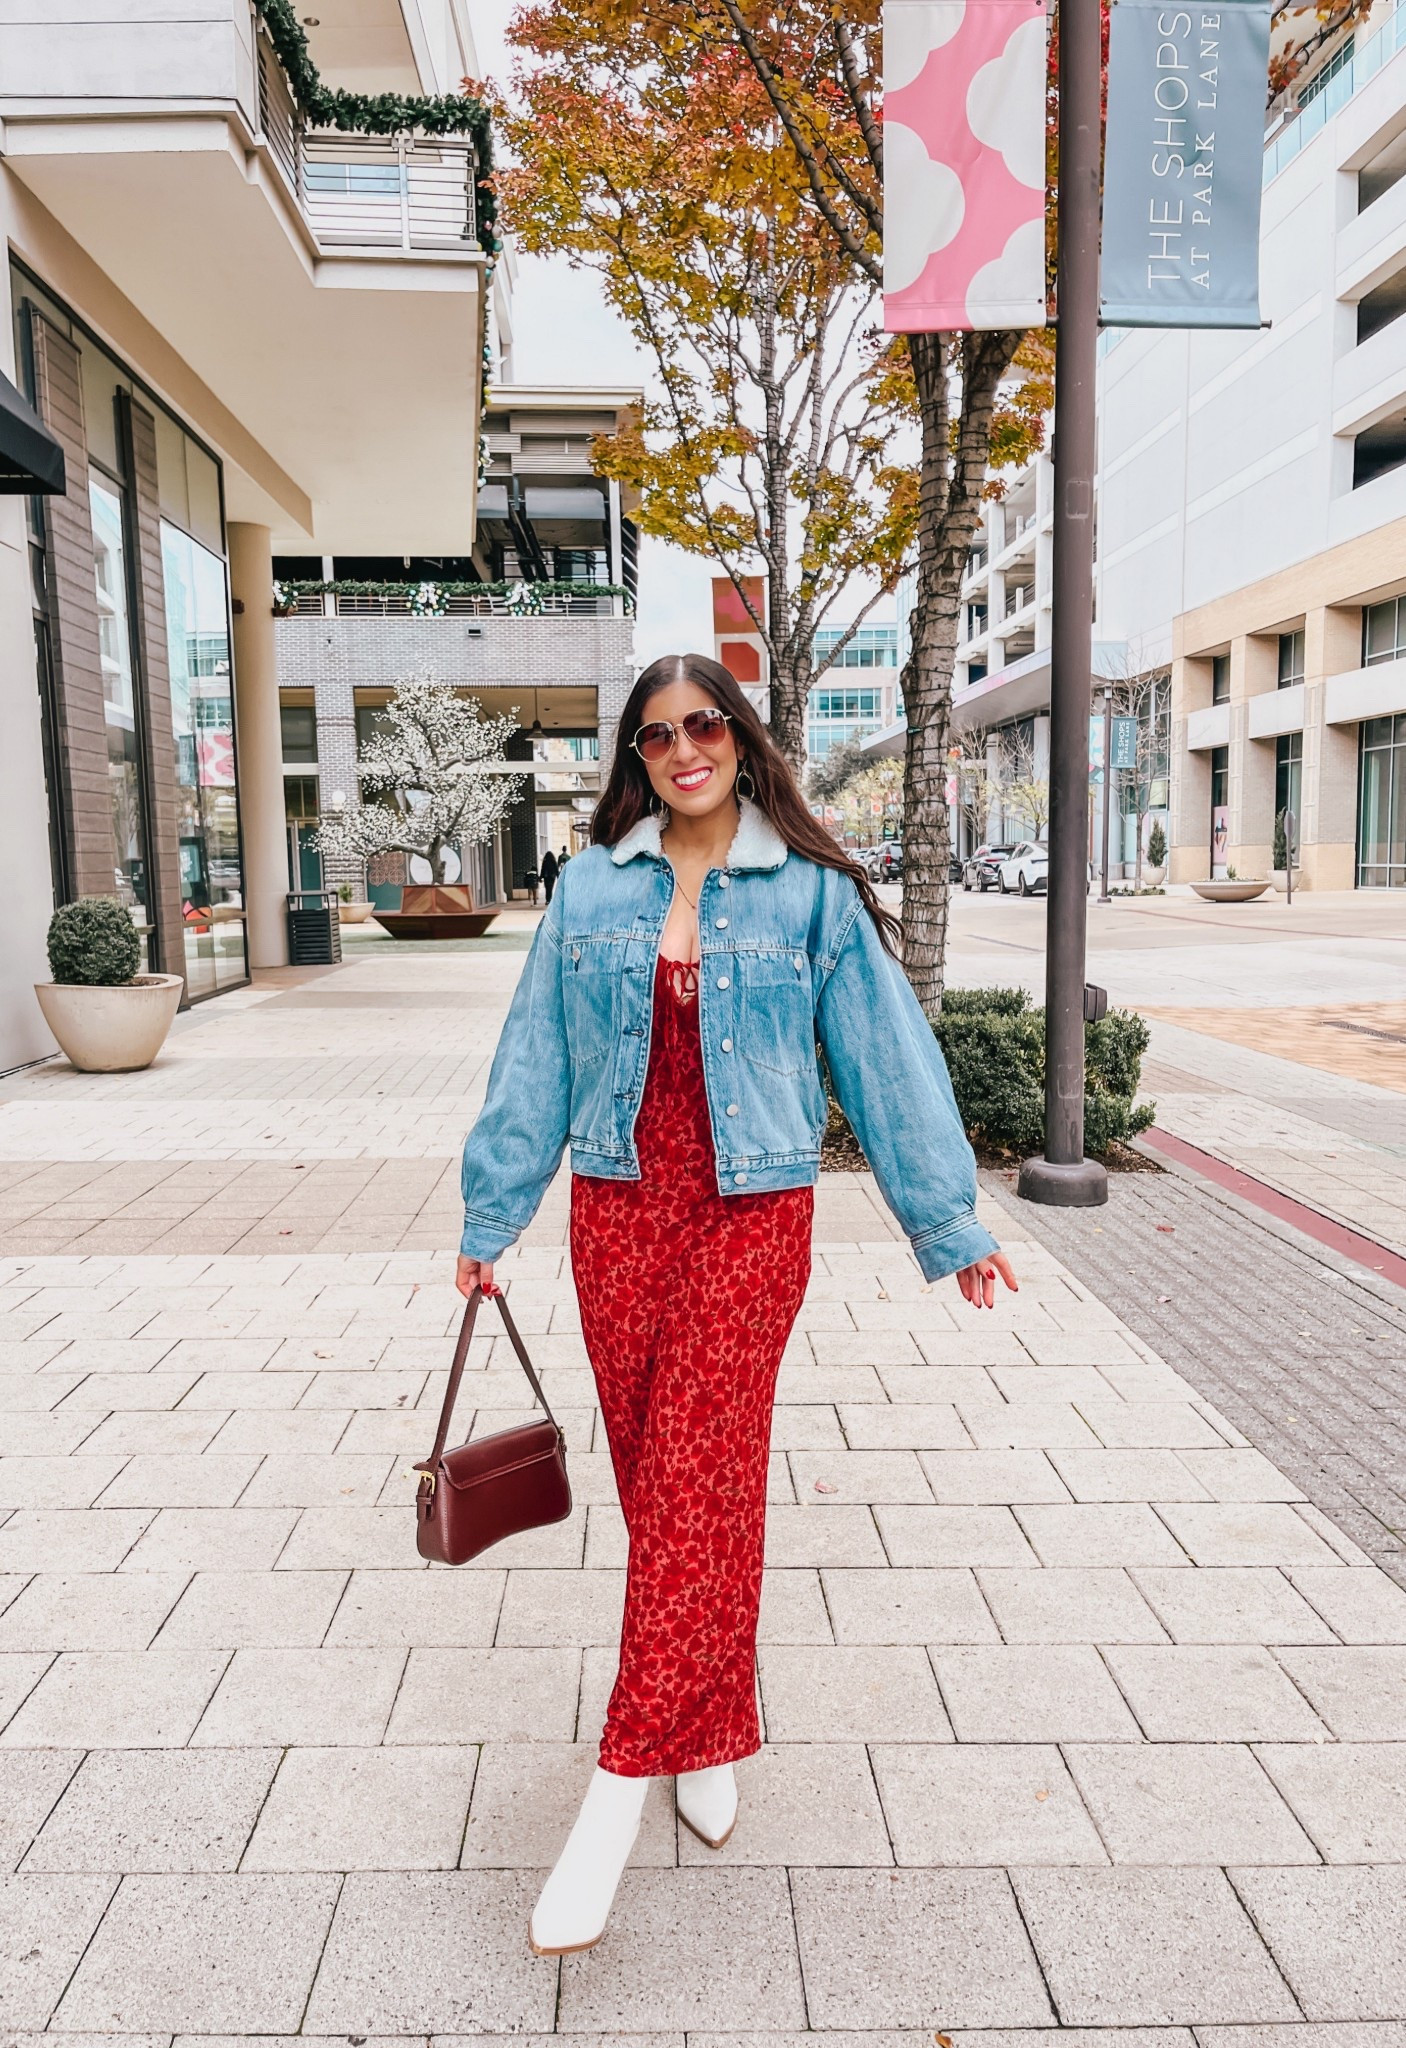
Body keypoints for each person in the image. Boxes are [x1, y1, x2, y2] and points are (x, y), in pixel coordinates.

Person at [457, 653, 1016, 1957]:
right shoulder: (590, 887)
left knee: (701, 1473)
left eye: (702, 723)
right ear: (635, 759)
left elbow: (884, 1060)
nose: (682, 747)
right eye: (655, 735)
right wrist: (493, 1218)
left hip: (750, 1217)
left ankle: (616, 1786)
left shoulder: (811, 896)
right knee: (672, 1490)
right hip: (618, 1210)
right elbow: (535, 1054)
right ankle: (708, 1727)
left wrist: (945, 1223)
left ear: (740, 739)